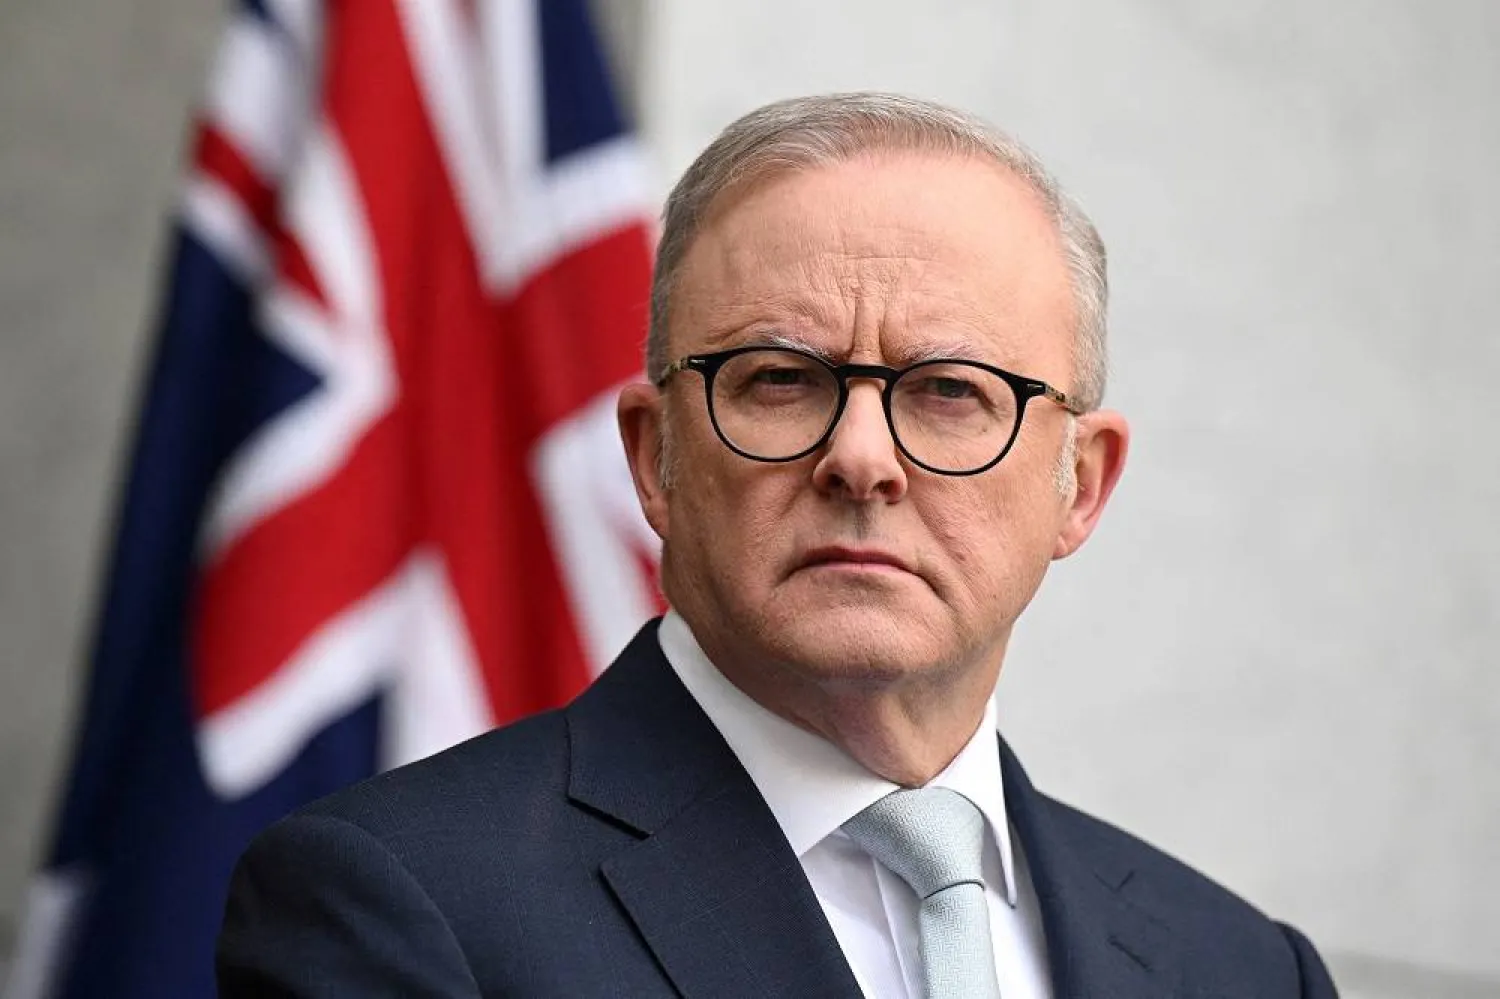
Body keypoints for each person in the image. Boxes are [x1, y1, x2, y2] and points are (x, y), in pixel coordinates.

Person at [218, 93, 1339, 998]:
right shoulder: (404, 905)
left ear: (1079, 487)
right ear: (655, 458)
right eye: (780, 381)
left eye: (952, 391)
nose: (862, 459)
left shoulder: (1242, 968)